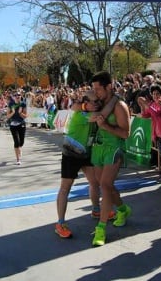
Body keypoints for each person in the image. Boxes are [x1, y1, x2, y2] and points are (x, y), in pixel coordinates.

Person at [55, 90, 117, 238]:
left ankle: (96, 209)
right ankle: (60, 223)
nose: (98, 104)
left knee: (94, 182)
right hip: (71, 153)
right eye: (94, 101)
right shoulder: (81, 115)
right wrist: (115, 99)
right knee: (65, 188)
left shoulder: (86, 110)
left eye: (98, 101)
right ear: (85, 103)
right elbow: (100, 116)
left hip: (86, 153)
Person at [89, 71, 131, 246]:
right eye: (94, 89)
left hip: (114, 148)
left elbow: (126, 133)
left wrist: (105, 126)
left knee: (105, 185)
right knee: (105, 185)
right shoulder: (99, 103)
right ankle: (123, 209)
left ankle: (101, 229)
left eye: (99, 89)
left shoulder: (120, 106)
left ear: (109, 86)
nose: (96, 92)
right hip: (98, 148)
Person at [6, 92, 28, 165]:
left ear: (20, 96)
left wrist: (20, 113)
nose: (17, 96)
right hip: (13, 125)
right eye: (16, 95)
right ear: (14, 97)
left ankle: (19, 148)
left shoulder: (23, 104)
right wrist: (13, 112)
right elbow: (8, 116)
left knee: (21, 142)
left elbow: (25, 116)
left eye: (18, 95)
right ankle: (18, 159)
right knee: (17, 142)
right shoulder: (11, 104)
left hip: (21, 124)